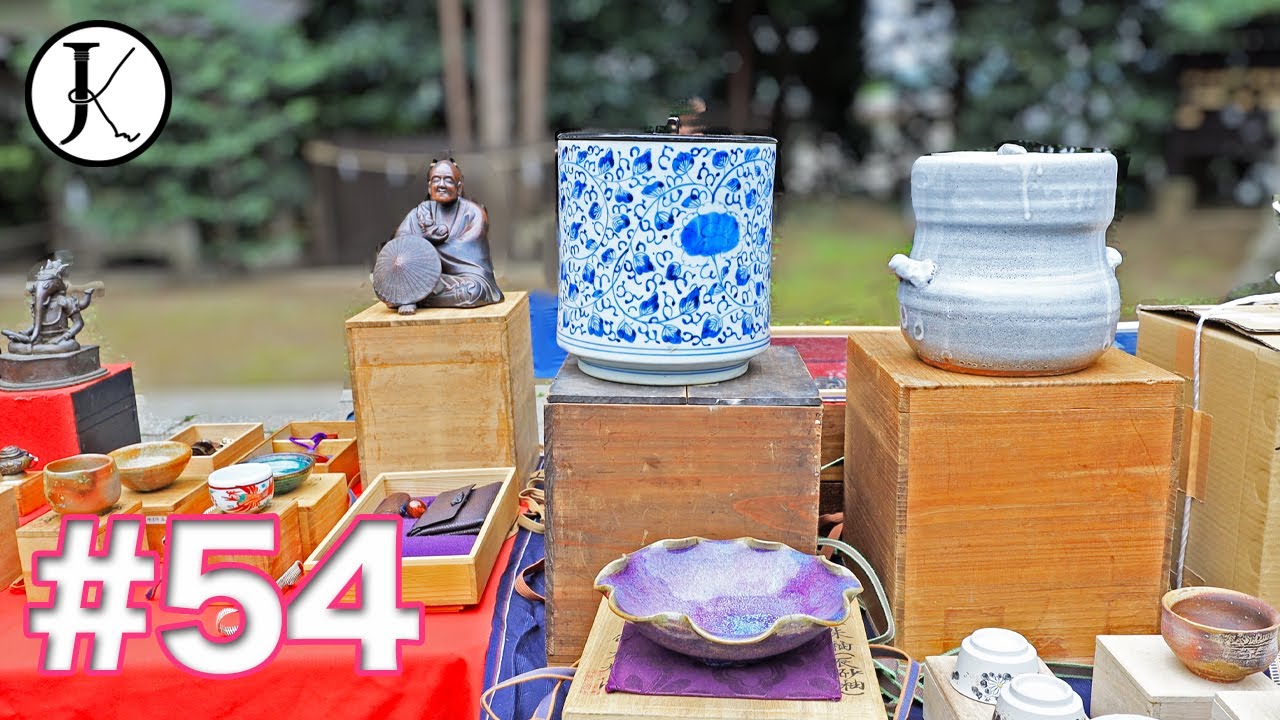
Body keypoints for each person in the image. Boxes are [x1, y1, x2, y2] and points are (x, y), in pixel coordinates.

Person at [392, 159, 503, 309]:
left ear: (459, 188)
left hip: (463, 278)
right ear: (430, 187)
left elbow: (467, 250)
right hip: (424, 277)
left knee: (474, 291)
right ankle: (412, 295)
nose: (441, 185)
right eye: (436, 180)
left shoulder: (474, 213)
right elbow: (398, 247)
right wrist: (426, 240)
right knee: (398, 279)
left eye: (448, 180)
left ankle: (415, 298)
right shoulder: (419, 213)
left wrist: (426, 246)